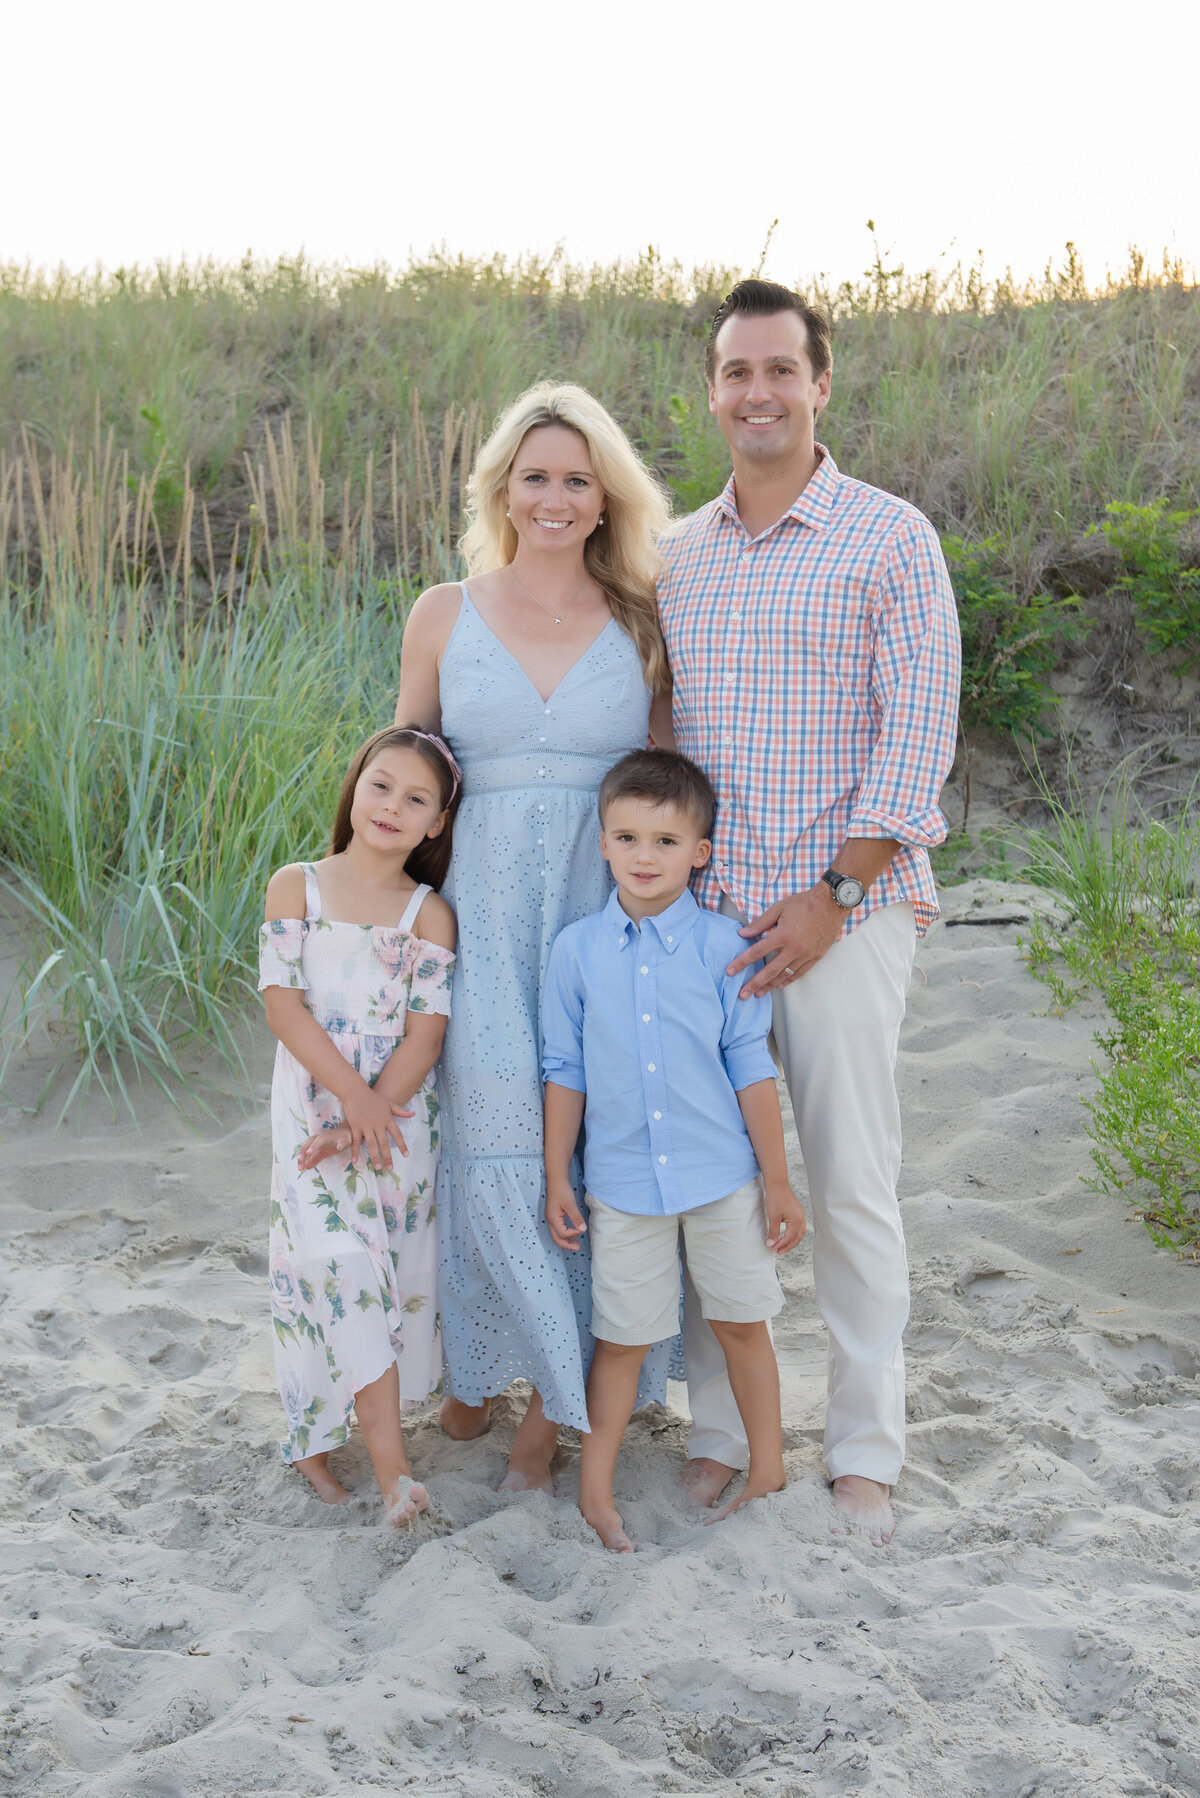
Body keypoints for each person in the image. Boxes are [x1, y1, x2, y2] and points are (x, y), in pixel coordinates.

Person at [658, 278, 961, 1546]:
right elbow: (662, 725)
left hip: (847, 909)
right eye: (737, 372)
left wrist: (836, 894)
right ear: (714, 390)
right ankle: (728, 1430)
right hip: (714, 919)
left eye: (781, 369)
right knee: (720, 1187)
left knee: (845, 1181)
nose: (758, 393)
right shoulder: (676, 552)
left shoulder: (890, 537)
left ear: (821, 383)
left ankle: (868, 1452)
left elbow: (920, 732)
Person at [394, 382, 676, 1491]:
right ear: (501, 489)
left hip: (601, 915)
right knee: (495, 1134)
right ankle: (479, 1366)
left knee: (587, 1141)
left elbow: (664, 784)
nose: (554, 497)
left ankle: (550, 1409)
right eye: (534, 476)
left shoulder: (646, 619)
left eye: (575, 477)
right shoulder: (444, 611)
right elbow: (408, 774)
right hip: (481, 912)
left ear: (605, 497)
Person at [542, 751, 807, 1552]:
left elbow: (751, 1070)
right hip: (622, 1185)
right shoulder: (576, 952)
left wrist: (779, 1182)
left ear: (700, 852)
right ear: (603, 845)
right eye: (627, 837)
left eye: (665, 840)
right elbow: (565, 1070)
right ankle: (596, 1492)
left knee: (741, 1324)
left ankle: (768, 1468)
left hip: (722, 1179)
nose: (644, 856)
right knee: (621, 1339)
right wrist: (559, 1172)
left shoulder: (726, 946)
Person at [259, 724, 459, 1524]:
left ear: (436, 823)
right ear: (356, 785)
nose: (392, 806)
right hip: (317, 1108)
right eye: (381, 784)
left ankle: (319, 1436)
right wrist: (350, 1100)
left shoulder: (427, 913)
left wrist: (374, 1111)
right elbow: (283, 1006)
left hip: (396, 1122)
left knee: (377, 1283)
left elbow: (427, 1033)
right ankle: (393, 1477)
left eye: (417, 799)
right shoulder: (296, 884)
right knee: (337, 1268)